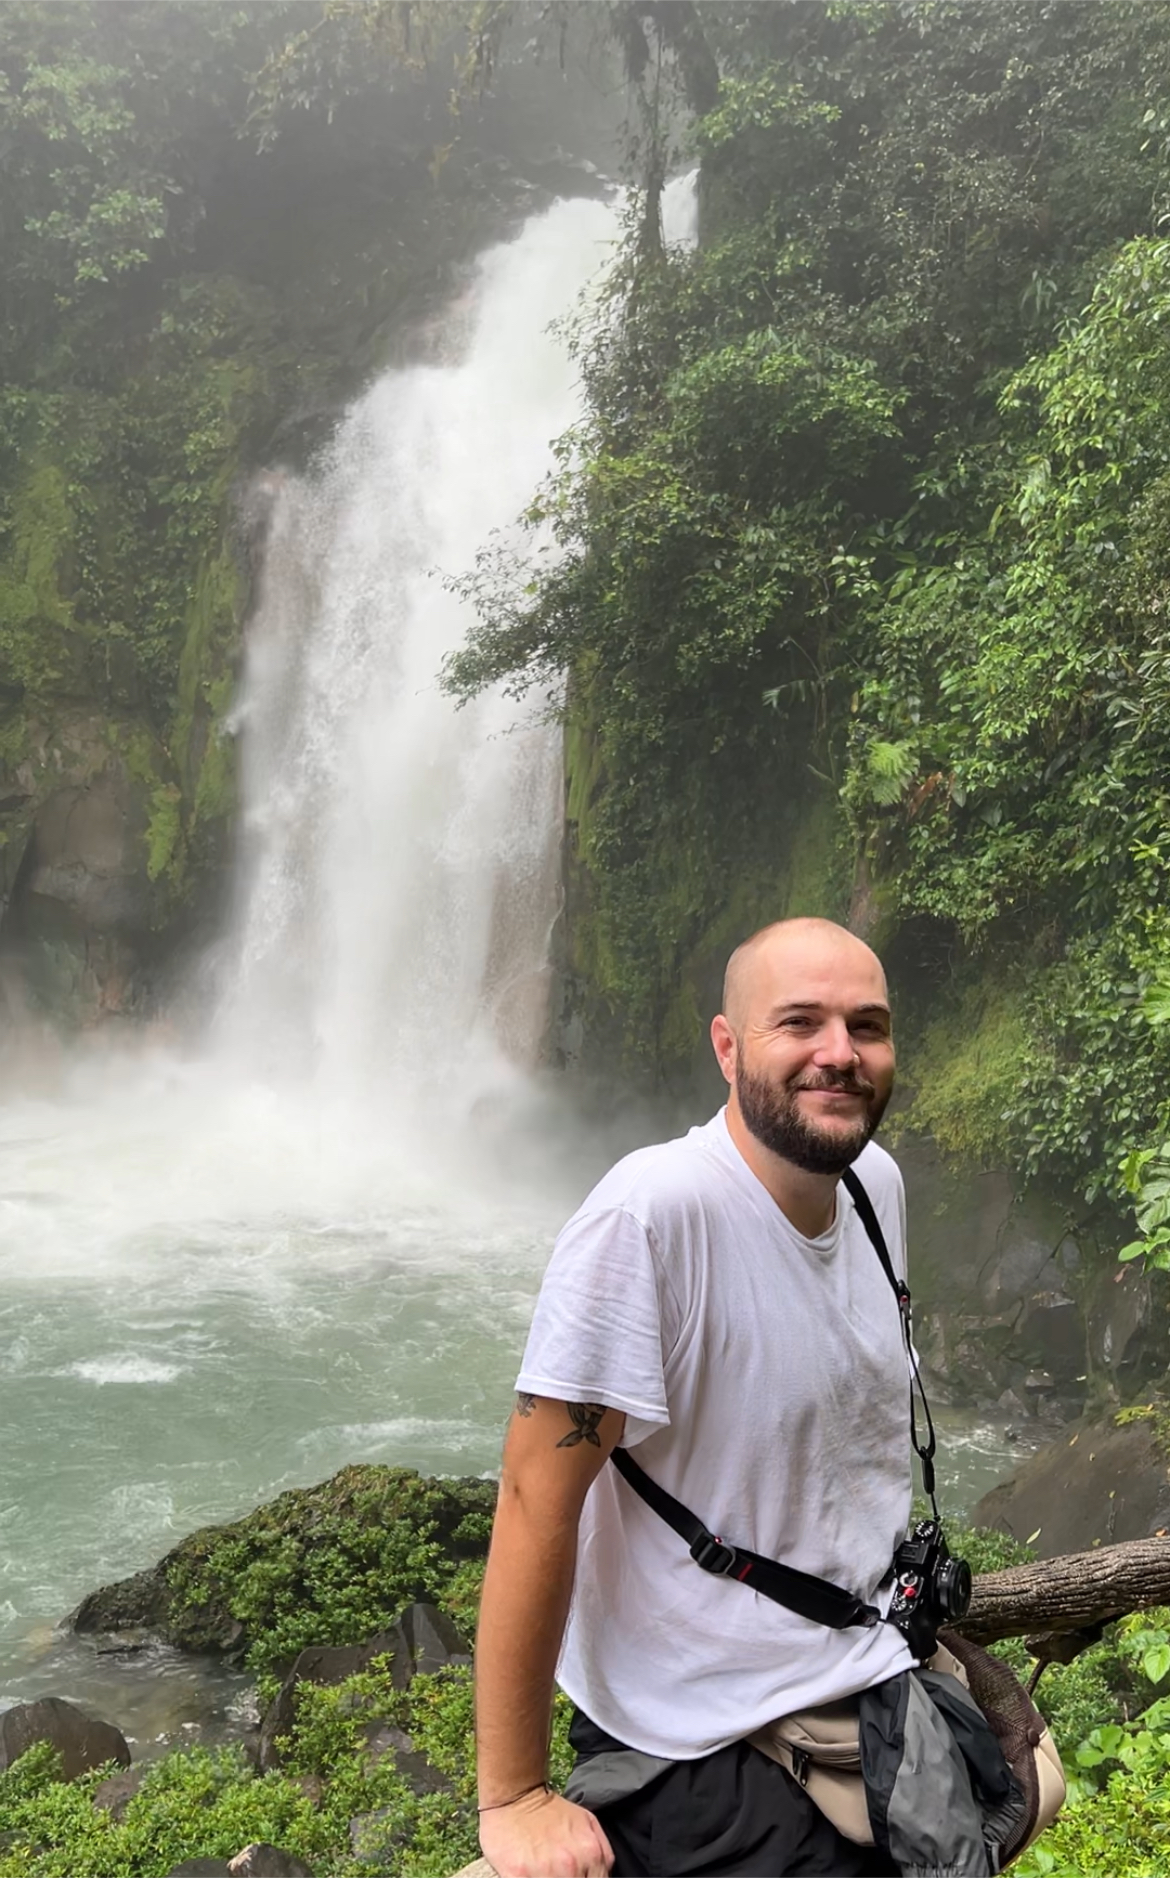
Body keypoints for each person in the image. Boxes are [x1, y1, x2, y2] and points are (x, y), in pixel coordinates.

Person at [475, 917, 916, 1878]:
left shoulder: (872, 1181)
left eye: (866, 1026)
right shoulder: (649, 1218)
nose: (839, 1054)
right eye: (798, 1022)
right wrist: (512, 1797)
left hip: (862, 1664)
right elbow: (530, 1493)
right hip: (696, 1731)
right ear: (727, 1046)